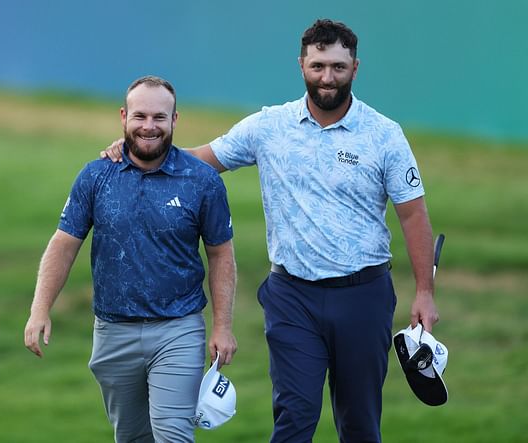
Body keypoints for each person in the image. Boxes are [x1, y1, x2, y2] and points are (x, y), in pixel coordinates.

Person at [101, 19, 439, 442]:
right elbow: (198, 160)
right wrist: (135, 149)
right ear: (301, 66)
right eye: (318, 66)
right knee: (295, 416)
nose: (327, 77)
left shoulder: (385, 135)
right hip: (292, 296)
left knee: (359, 421)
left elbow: (413, 214)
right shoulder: (269, 127)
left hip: (363, 296)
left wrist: (424, 290)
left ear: (355, 67)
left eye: (337, 66)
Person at [25, 75, 238, 443]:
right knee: (132, 437)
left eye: (159, 117)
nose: (149, 126)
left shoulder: (202, 181)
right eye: (140, 116)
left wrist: (223, 325)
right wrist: (40, 308)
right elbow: (64, 244)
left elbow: (221, 254)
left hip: (179, 328)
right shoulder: (96, 176)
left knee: (173, 434)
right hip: (113, 332)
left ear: (175, 121)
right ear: (123, 117)